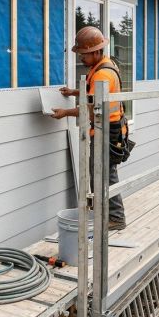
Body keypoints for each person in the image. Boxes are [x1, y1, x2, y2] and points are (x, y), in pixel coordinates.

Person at [50, 26, 127, 230]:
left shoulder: (103, 74)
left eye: (84, 55)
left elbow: (91, 110)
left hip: (106, 132)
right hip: (110, 129)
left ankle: (116, 218)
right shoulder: (105, 66)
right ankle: (110, 215)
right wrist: (75, 92)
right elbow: (93, 94)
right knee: (104, 174)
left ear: (95, 51)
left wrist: (65, 113)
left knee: (104, 175)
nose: (82, 59)